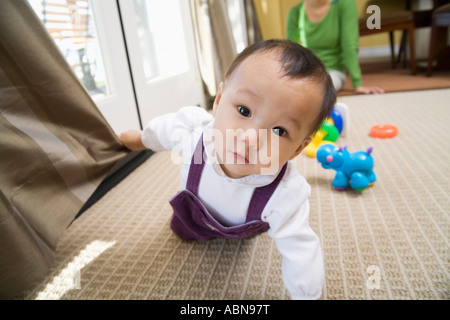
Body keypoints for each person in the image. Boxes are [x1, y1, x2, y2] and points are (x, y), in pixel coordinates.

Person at [119, 40, 336, 299]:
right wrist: (141, 139)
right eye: (244, 110)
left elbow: (301, 252)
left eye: (279, 130)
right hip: (193, 212)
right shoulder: (193, 136)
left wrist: (307, 296)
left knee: (258, 233)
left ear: (297, 149)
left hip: (245, 226)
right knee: (180, 231)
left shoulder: (286, 193)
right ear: (219, 100)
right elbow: (163, 131)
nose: (250, 139)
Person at [287, 0, 384, 94]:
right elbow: (291, 52)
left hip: (332, 71)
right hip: (307, 70)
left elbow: (349, 44)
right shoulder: (295, 12)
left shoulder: (344, 3)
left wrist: (357, 83)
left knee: (318, 90)